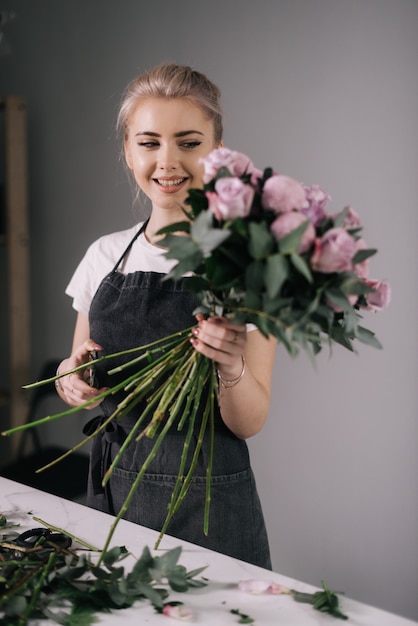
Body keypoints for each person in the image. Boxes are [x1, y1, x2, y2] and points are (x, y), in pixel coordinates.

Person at [56, 63, 276, 569]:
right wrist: (73, 379)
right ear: (128, 151)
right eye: (149, 142)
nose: (168, 160)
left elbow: (250, 421)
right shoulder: (104, 256)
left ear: (217, 152)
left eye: (189, 142)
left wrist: (229, 365)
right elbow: (78, 370)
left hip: (209, 504)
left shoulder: (249, 261)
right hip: (112, 490)